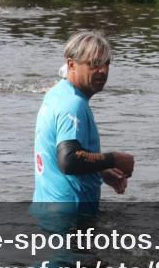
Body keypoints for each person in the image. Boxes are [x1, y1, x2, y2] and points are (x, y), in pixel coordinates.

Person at [33, 31, 135, 214]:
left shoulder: (57, 94)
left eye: (106, 63)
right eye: (94, 64)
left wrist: (101, 169)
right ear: (71, 64)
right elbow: (69, 160)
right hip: (69, 219)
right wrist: (114, 158)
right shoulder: (73, 104)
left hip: (48, 209)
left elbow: (60, 156)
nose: (103, 70)